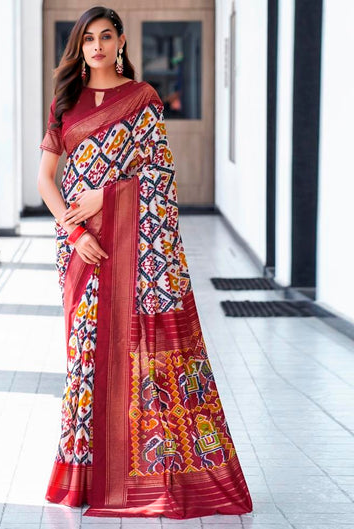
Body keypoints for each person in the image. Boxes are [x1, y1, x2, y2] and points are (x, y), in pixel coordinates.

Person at [37, 5, 253, 519]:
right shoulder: (64, 102)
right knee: (86, 361)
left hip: (136, 250)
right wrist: (73, 229)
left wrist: (105, 198)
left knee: (141, 359)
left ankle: (151, 479)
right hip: (82, 251)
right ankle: (86, 482)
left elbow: (161, 177)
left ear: (121, 41)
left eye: (105, 36)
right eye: (87, 38)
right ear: (78, 47)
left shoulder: (142, 99)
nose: (96, 46)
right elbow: (46, 179)